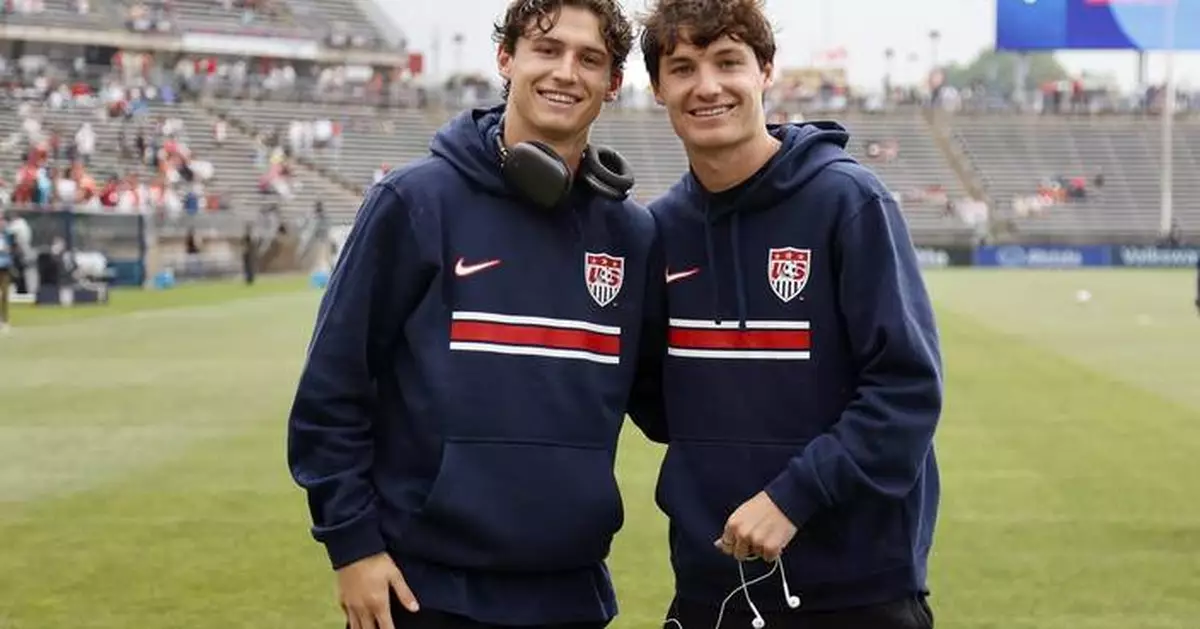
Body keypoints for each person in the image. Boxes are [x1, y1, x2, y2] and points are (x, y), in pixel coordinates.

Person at [287, 1, 664, 628]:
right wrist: (352, 546)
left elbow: (666, 401)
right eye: (547, 49)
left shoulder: (631, 235)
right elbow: (332, 391)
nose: (566, 72)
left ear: (613, 84)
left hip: (571, 594)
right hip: (422, 593)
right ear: (506, 59)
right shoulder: (412, 203)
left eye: (589, 59)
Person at [633, 1, 944, 627]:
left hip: (856, 588)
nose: (708, 86)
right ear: (658, 87)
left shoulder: (847, 201)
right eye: (684, 68)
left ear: (765, 71)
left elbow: (906, 391)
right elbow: (656, 400)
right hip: (711, 584)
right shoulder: (661, 230)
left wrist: (793, 496)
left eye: (728, 62)